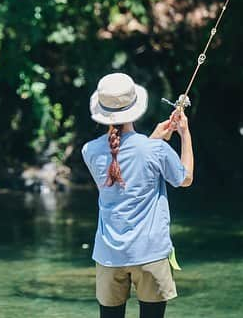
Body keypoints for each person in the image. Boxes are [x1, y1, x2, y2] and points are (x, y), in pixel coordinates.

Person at [81, 73, 194, 318]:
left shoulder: (88, 151)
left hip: (109, 256)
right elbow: (185, 179)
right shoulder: (156, 149)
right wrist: (184, 133)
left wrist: (154, 139)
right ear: (136, 109)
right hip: (150, 254)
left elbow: (123, 170)